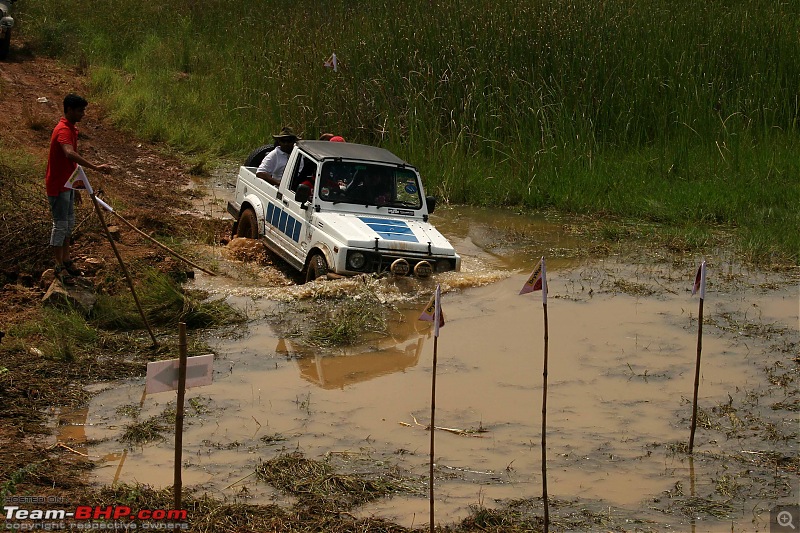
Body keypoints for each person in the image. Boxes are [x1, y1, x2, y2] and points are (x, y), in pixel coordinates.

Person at [45, 94, 112, 285]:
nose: (83, 114)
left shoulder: (72, 129)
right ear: (69, 110)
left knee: (69, 224)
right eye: (80, 110)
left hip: (67, 185)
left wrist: (75, 188)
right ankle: (58, 266)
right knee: (60, 225)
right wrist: (96, 167)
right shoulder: (63, 130)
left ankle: (66, 260)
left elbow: (70, 165)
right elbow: (69, 154)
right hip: (58, 186)